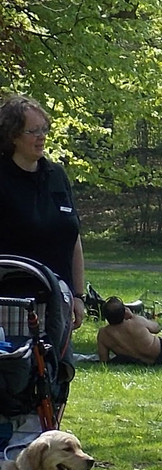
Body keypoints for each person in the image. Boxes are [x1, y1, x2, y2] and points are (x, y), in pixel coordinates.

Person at [0, 95, 85, 327]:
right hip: (12, 303)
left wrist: (78, 295)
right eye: (33, 131)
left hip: (59, 298)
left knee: (60, 364)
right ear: (13, 135)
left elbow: (73, 236)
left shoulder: (56, 175)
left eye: (44, 129)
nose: (41, 136)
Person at [96, 298, 162, 366]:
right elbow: (156, 328)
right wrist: (133, 316)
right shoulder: (135, 322)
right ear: (124, 311)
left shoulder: (103, 334)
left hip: (153, 362)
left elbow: (104, 360)